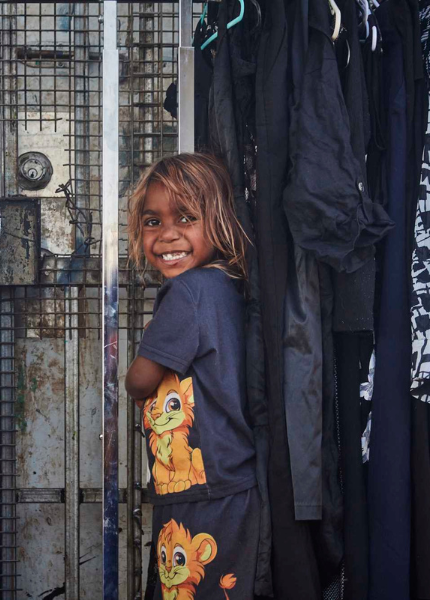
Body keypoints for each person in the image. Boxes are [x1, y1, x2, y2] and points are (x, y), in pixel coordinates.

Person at [125, 153, 260, 600]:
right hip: (222, 487)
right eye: (152, 221)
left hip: (203, 492)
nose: (167, 235)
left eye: (186, 217)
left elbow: (140, 382)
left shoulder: (187, 291)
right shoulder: (224, 285)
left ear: (217, 221)